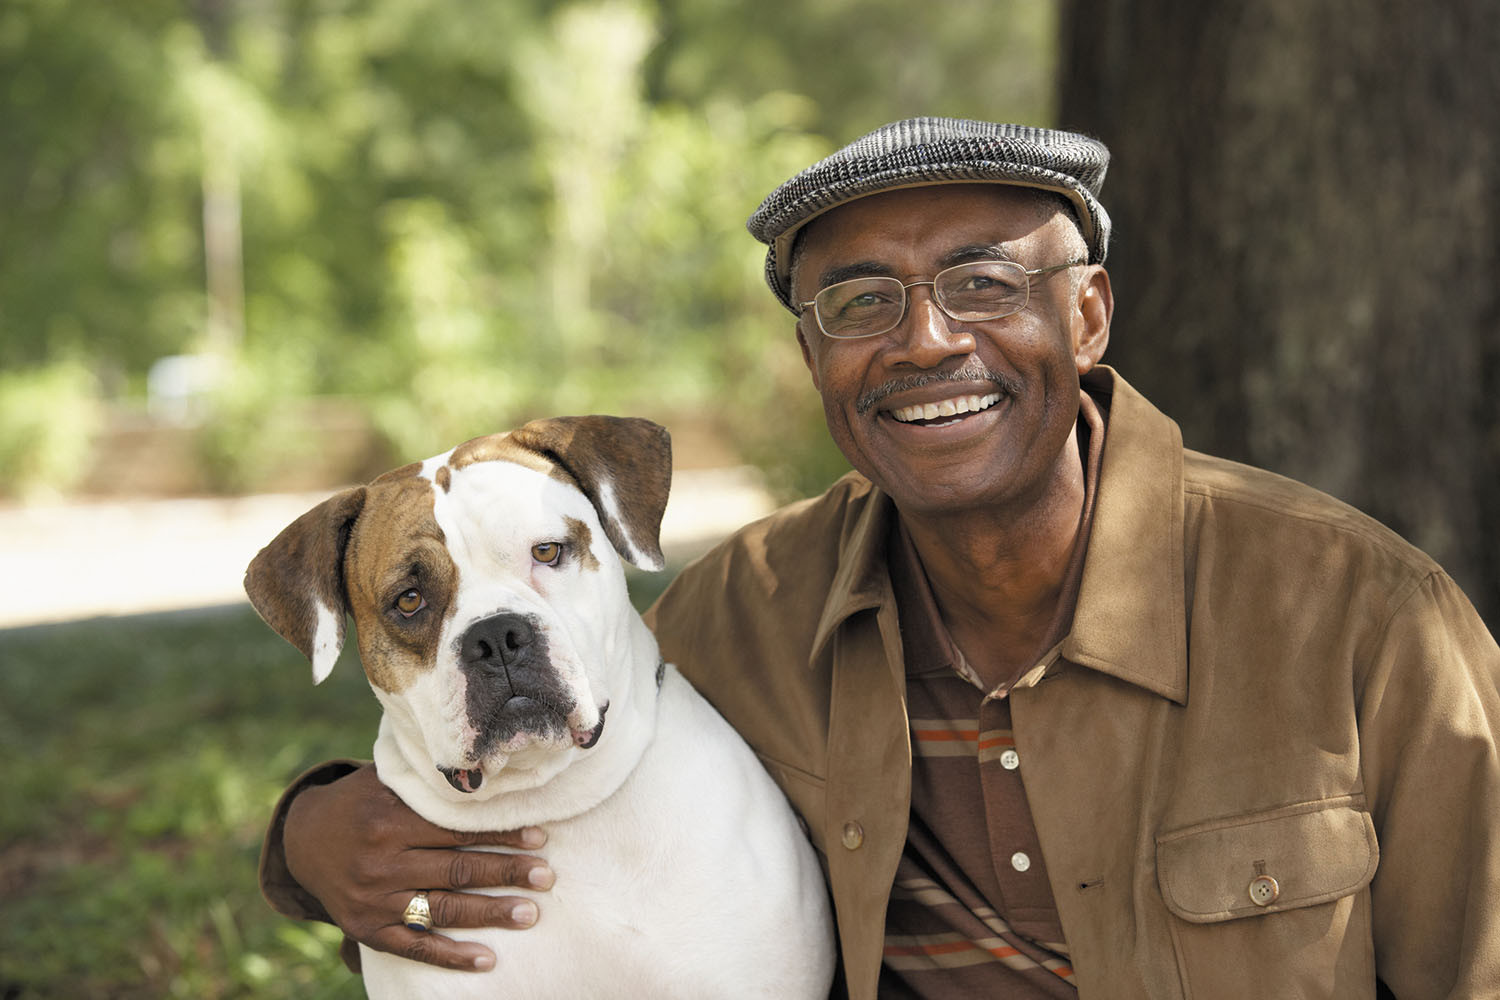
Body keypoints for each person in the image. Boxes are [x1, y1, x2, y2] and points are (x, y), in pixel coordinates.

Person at [259, 118, 1500, 998]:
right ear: (813, 360)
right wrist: (308, 835)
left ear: (1089, 314)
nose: (925, 338)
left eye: (984, 281)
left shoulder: (1360, 615)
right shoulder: (742, 616)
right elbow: (541, 692)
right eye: (858, 303)